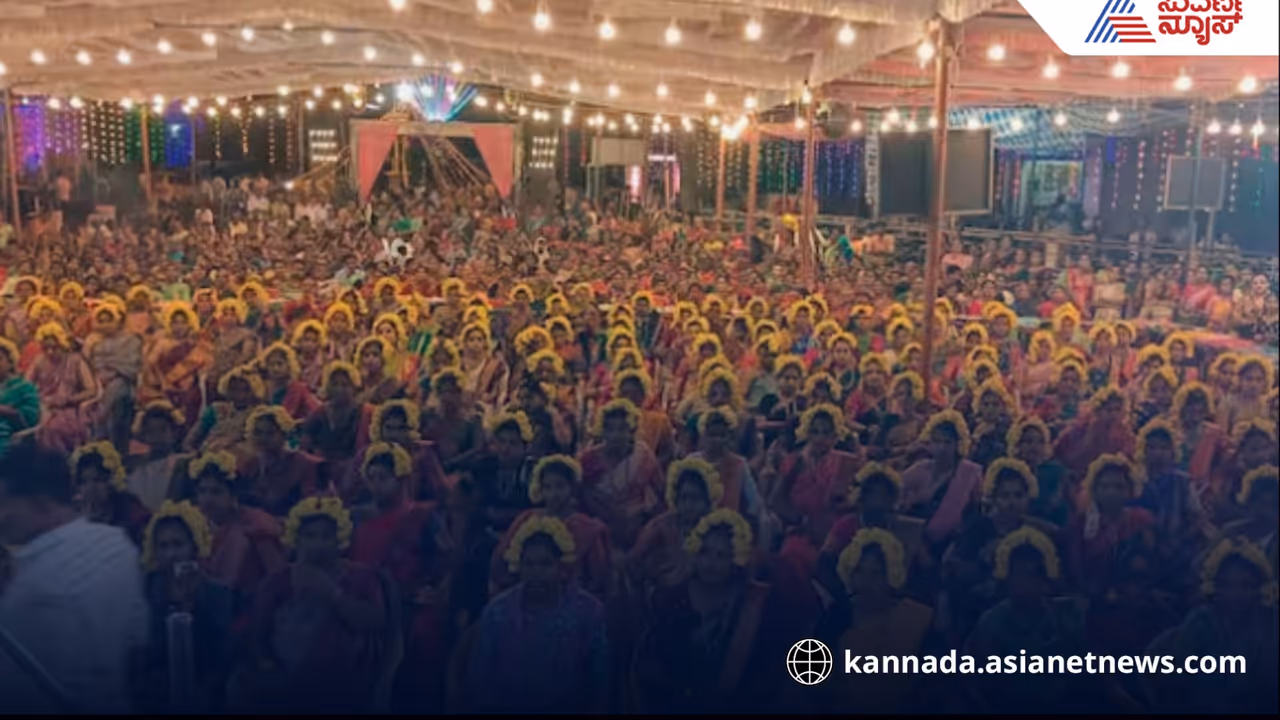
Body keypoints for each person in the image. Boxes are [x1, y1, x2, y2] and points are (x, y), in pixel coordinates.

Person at [0, 443, 149, 712]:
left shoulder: (30, 590)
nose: (2, 516)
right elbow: (136, 638)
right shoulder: (116, 544)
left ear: (38, 503)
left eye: (5, 503)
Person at [236, 497, 387, 713]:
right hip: (285, 686)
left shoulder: (362, 577)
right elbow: (258, 634)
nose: (318, 544)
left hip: (346, 687)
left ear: (339, 539)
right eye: (310, 536)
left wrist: (333, 594)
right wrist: (267, 668)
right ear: (297, 539)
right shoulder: (277, 581)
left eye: (326, 536)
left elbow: (376, 621)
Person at [631, 509, 784, 713]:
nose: (711, 563)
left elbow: (761, 673)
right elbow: (650, 663)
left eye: (721, 555)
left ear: (736, 560)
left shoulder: (750, 604)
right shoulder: (672, 597)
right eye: (705, 552)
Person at [453, 516, 610, 713]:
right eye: (529, 564)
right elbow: (480, 682)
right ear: (518, 567)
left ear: (561, 567)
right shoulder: (497, 613)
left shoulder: (589, 612)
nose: (537, 572)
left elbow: (601, 684)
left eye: (546, 564)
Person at [133, 501, 235, 713]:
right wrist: (173, 607)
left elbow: (220, 656)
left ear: (194, 547)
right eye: (163, 546)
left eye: (178, 544)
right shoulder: (144, 590)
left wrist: (192, 606)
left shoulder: (218, 593)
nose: (171, 554)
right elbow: (144, 649)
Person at [816, 529, 933, 713]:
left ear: (891, 577)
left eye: (875, 573)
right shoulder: (836, 616)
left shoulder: (916, 619)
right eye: (858, 571)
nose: (865, 581)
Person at [26, 323, 97, 453]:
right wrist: (40, 400)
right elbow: (27, 386)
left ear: (62, 345)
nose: (50, 352)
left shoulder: (75, 360)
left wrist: (68, 399)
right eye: (46, 348)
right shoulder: (39, 361)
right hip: (44, 405)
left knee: (55, 428)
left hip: (70, 408)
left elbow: (91, 390)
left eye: (54, 347)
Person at [70, 440, 151, 545]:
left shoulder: (134, 513)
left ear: (112, 480)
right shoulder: (75, 517)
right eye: (83, 482)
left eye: (97, 480)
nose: (90, 488)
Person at [0, 337, 40, 458]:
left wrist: (6, 411)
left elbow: (30, 420)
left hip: (7, 437)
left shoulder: (24, 387)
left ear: (10, 362)